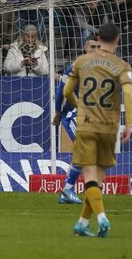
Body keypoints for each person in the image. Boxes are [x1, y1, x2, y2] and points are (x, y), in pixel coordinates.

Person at [64, 23, 132, 238]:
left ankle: (102, 218)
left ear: (98, 36)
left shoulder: (82, 61)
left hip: (87, 125)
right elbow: (129, 95)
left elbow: (67, 91)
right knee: (98, 181)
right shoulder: (122, 66)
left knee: (90, 178)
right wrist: (128, 124)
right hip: (109, 128)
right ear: (118, 40)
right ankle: (82, 224)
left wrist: (81, 107)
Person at [53, 35, 101, 205]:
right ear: (85, 49)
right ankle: (68, 188)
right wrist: (58, 111)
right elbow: (61, 91)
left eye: (98, 47)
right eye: (93, 47)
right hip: (73, 113)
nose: (96, 50)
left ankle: (66, 191)